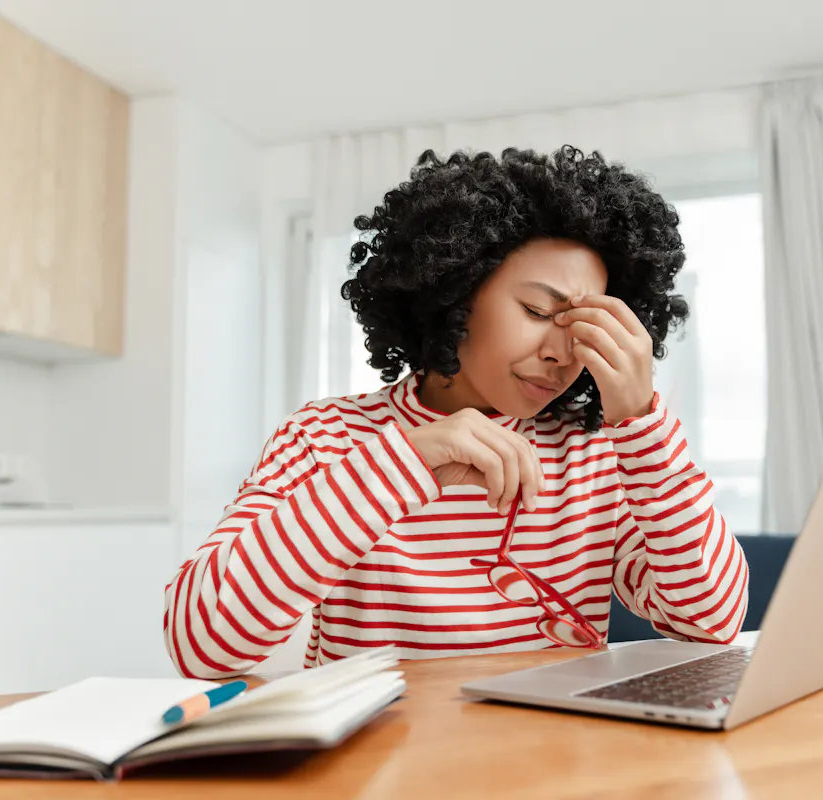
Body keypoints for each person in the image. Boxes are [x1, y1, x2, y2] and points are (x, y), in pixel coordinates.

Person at [163, 146, 749, 678]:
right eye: (538, 310)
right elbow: (200, 644)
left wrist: (642, 424)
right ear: (453, 292)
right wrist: (404, 462)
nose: (561, 351)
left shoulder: (597, 453)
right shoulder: (324, 440)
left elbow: (711, 620)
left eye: (585, 327)